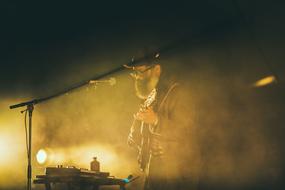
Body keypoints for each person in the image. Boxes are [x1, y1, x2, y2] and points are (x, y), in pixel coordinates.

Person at [125, 60, 200, 190]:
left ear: (157, 69)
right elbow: (145, 139)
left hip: (177, 179)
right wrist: (135, 132)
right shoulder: (153, 94)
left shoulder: (178, 92)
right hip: (154, 177)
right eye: (134, 72)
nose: (137, 77)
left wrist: (156, 121)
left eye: (140, 71)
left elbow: (187, 132)